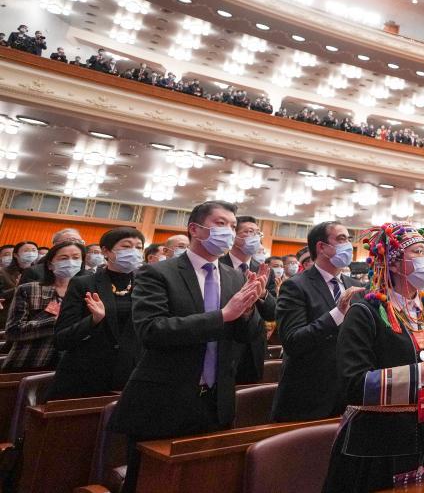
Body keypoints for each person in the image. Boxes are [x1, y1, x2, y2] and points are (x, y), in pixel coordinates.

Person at [109, 201, 265, 493]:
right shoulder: (157, 273)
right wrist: (223, 315)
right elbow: (151, 330)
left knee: (203, 482)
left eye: (233, 226)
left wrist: (247, 312)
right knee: (149, 483)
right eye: (221, 224)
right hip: (164, 399)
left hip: (216, 401)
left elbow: (247, 336)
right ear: (195, 229)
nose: (230, 232)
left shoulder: (235, 276)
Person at [321, 222, 424, 492]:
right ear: (392, 263)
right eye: (418, 252)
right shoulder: (365, 311)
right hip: (378, 440)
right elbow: (353, 384)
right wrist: (423, 370)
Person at [271, 220, 361, 423]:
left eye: (349, 239)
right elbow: (293, 341)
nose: (349, 245)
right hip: (308, 396)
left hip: (348, 395)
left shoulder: (355, 286)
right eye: (341, 239)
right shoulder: (295, 286)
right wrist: (337, 314)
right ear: (321, 247)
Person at [49, 228, 145, 400]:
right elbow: (61, 339)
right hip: (85, 375)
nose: (134, 252)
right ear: (106, 251)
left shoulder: (146, 285)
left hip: (129, 375)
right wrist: (93, 320)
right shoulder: (83, 284)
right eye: (126, 246)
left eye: (139, 247)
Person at [3, 239, 84, 372]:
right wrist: (55, 322)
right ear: (50, 264)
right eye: (64, 258)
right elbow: (13, 332)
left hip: (70, 367)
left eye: (76, 258)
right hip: (30, 362)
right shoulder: (29, 289)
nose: (71, 262)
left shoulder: (87, 293)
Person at [220, 215, 276, 384]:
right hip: (224, 340)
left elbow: (272, 313)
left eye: (258, 233)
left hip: (253, 346)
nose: (255, 237)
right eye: (249, 232)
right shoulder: (218, 265)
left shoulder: (265, 270)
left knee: (249, 392)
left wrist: (262, 293)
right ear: (234, 236)